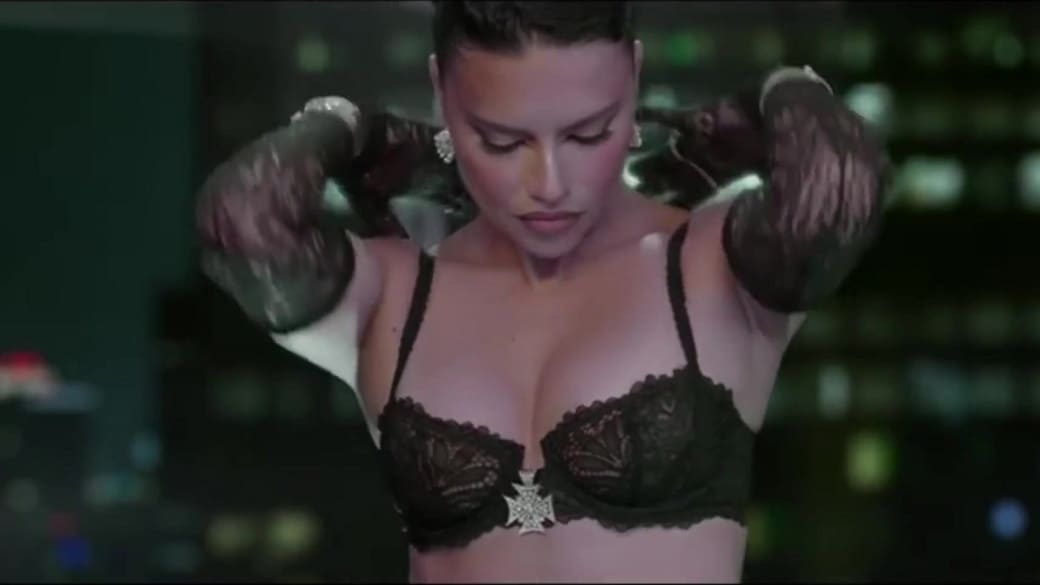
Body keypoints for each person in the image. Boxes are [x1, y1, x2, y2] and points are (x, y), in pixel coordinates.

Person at [195, 2, 888, 582]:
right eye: (500, 141)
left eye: (590, 133)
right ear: (441, 96)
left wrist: (758, 104)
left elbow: (839, 186)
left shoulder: (708, 269)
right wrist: (353, 130)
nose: (550, 183)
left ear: (634, 79)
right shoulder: (398, 290)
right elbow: (243, 223)